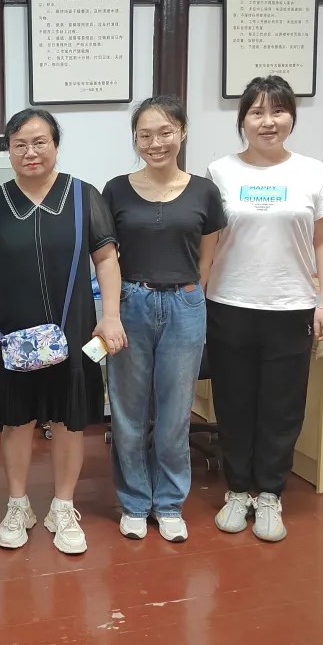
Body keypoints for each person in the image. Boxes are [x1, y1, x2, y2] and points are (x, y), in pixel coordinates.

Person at [0, 108, 126, 555]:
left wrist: (110, 315)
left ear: (56, 145)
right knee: (16, 420)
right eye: (19, 144)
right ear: (8, 151)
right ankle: (17, 505)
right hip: (14, 332)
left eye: (40, 142)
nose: (30, 152)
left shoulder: (83, 197)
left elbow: (106, 259)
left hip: (72, 329)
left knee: (67, 420)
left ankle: (63, 505)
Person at [205, 75, 323, 542]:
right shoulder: (220, 171)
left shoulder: (311, 172)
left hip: (291, 306)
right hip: (229, 303)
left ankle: (269, 494)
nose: (268, 121)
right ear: (242, 120)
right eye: (257, 112)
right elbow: (209, 242)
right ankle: (236, 490)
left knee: (283, 407)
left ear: (291, 118)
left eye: (278, 111)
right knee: (234, 403)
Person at [102, 96, 226, 543]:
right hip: (131, 303)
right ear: (135, 139)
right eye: (145, 135)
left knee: (175, 414)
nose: (155, 143)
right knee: (128, 411)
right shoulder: (115, 190)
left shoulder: (204, 191)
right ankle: (135, 501)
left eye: (165, 132)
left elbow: (207, 253)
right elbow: (106, 257)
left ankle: (170, 503)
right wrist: (111, 311)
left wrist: (192, 293)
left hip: (184, 305)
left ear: (183, 133)